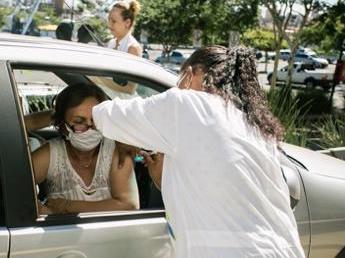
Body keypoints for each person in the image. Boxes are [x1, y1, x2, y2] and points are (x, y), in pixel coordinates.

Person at [91, 46, 305, 257]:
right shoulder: (252, 123)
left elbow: (106, 116)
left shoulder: (185, 104)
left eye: (181, 77)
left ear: (191, 73)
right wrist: (165, 179)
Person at [30, 83, 139, 214]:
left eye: (95, 120)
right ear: (63, 126)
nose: (89, 127)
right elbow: (13, 186)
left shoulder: (116, 150)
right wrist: (40, 210)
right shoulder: (52, 154)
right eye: (79, 122)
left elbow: (129, 205)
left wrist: (66, 206)